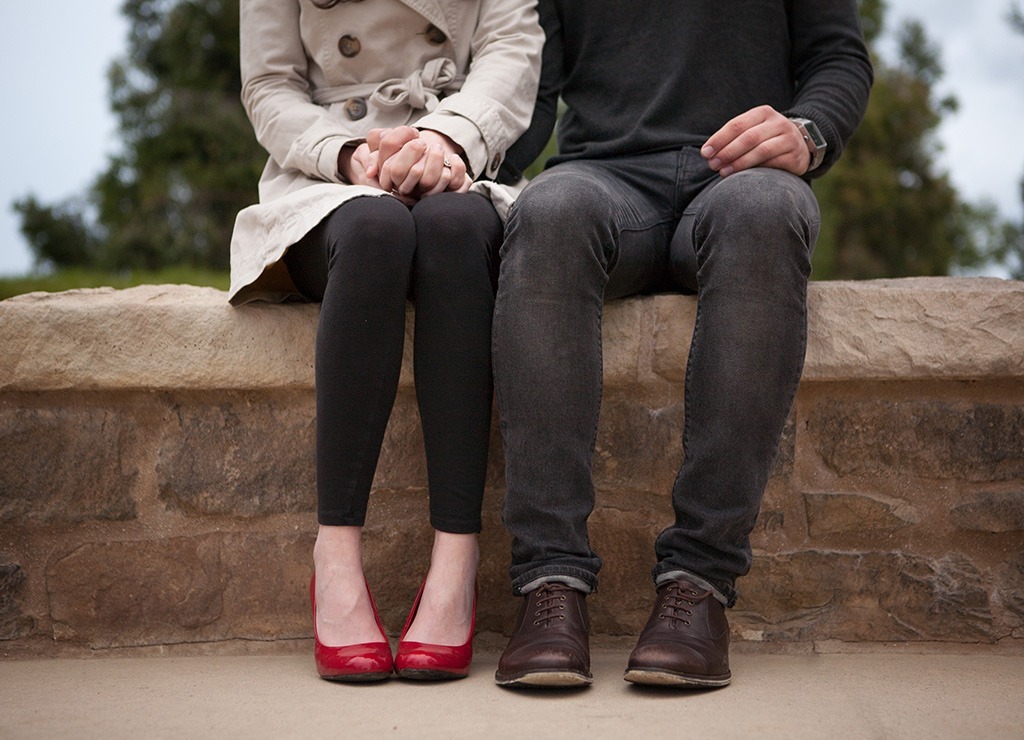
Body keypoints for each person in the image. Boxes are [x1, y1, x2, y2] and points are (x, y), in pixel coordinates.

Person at [491, 0, 873, 688]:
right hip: (603, 176)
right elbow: (528, 92)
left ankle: (698, 584)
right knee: (545, 213)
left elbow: (837, 58)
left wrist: (808, 132)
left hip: (741, 175)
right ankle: (550, 585)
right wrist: (452, 155)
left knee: (767, 211)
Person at [229, 0, 542, 682]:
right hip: (324, 172)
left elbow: (511, 51)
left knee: (454, 229)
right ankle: (334, 558)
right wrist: (347, 155)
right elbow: (269, 83)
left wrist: (444, 142)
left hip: (461, 157)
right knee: (377, 231)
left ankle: (456, 564)